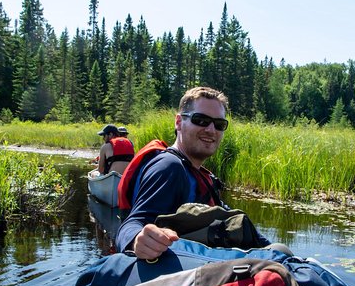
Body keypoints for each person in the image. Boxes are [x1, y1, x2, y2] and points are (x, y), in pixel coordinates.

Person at [115, 86, 269, 259]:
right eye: (201, 120)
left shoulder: (203, 176)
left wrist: (272, 251)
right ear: (179, 122)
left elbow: (229, 216)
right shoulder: (168, 167)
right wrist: (137, 240)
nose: (211, 130)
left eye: (219, 124)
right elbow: (133, 223)